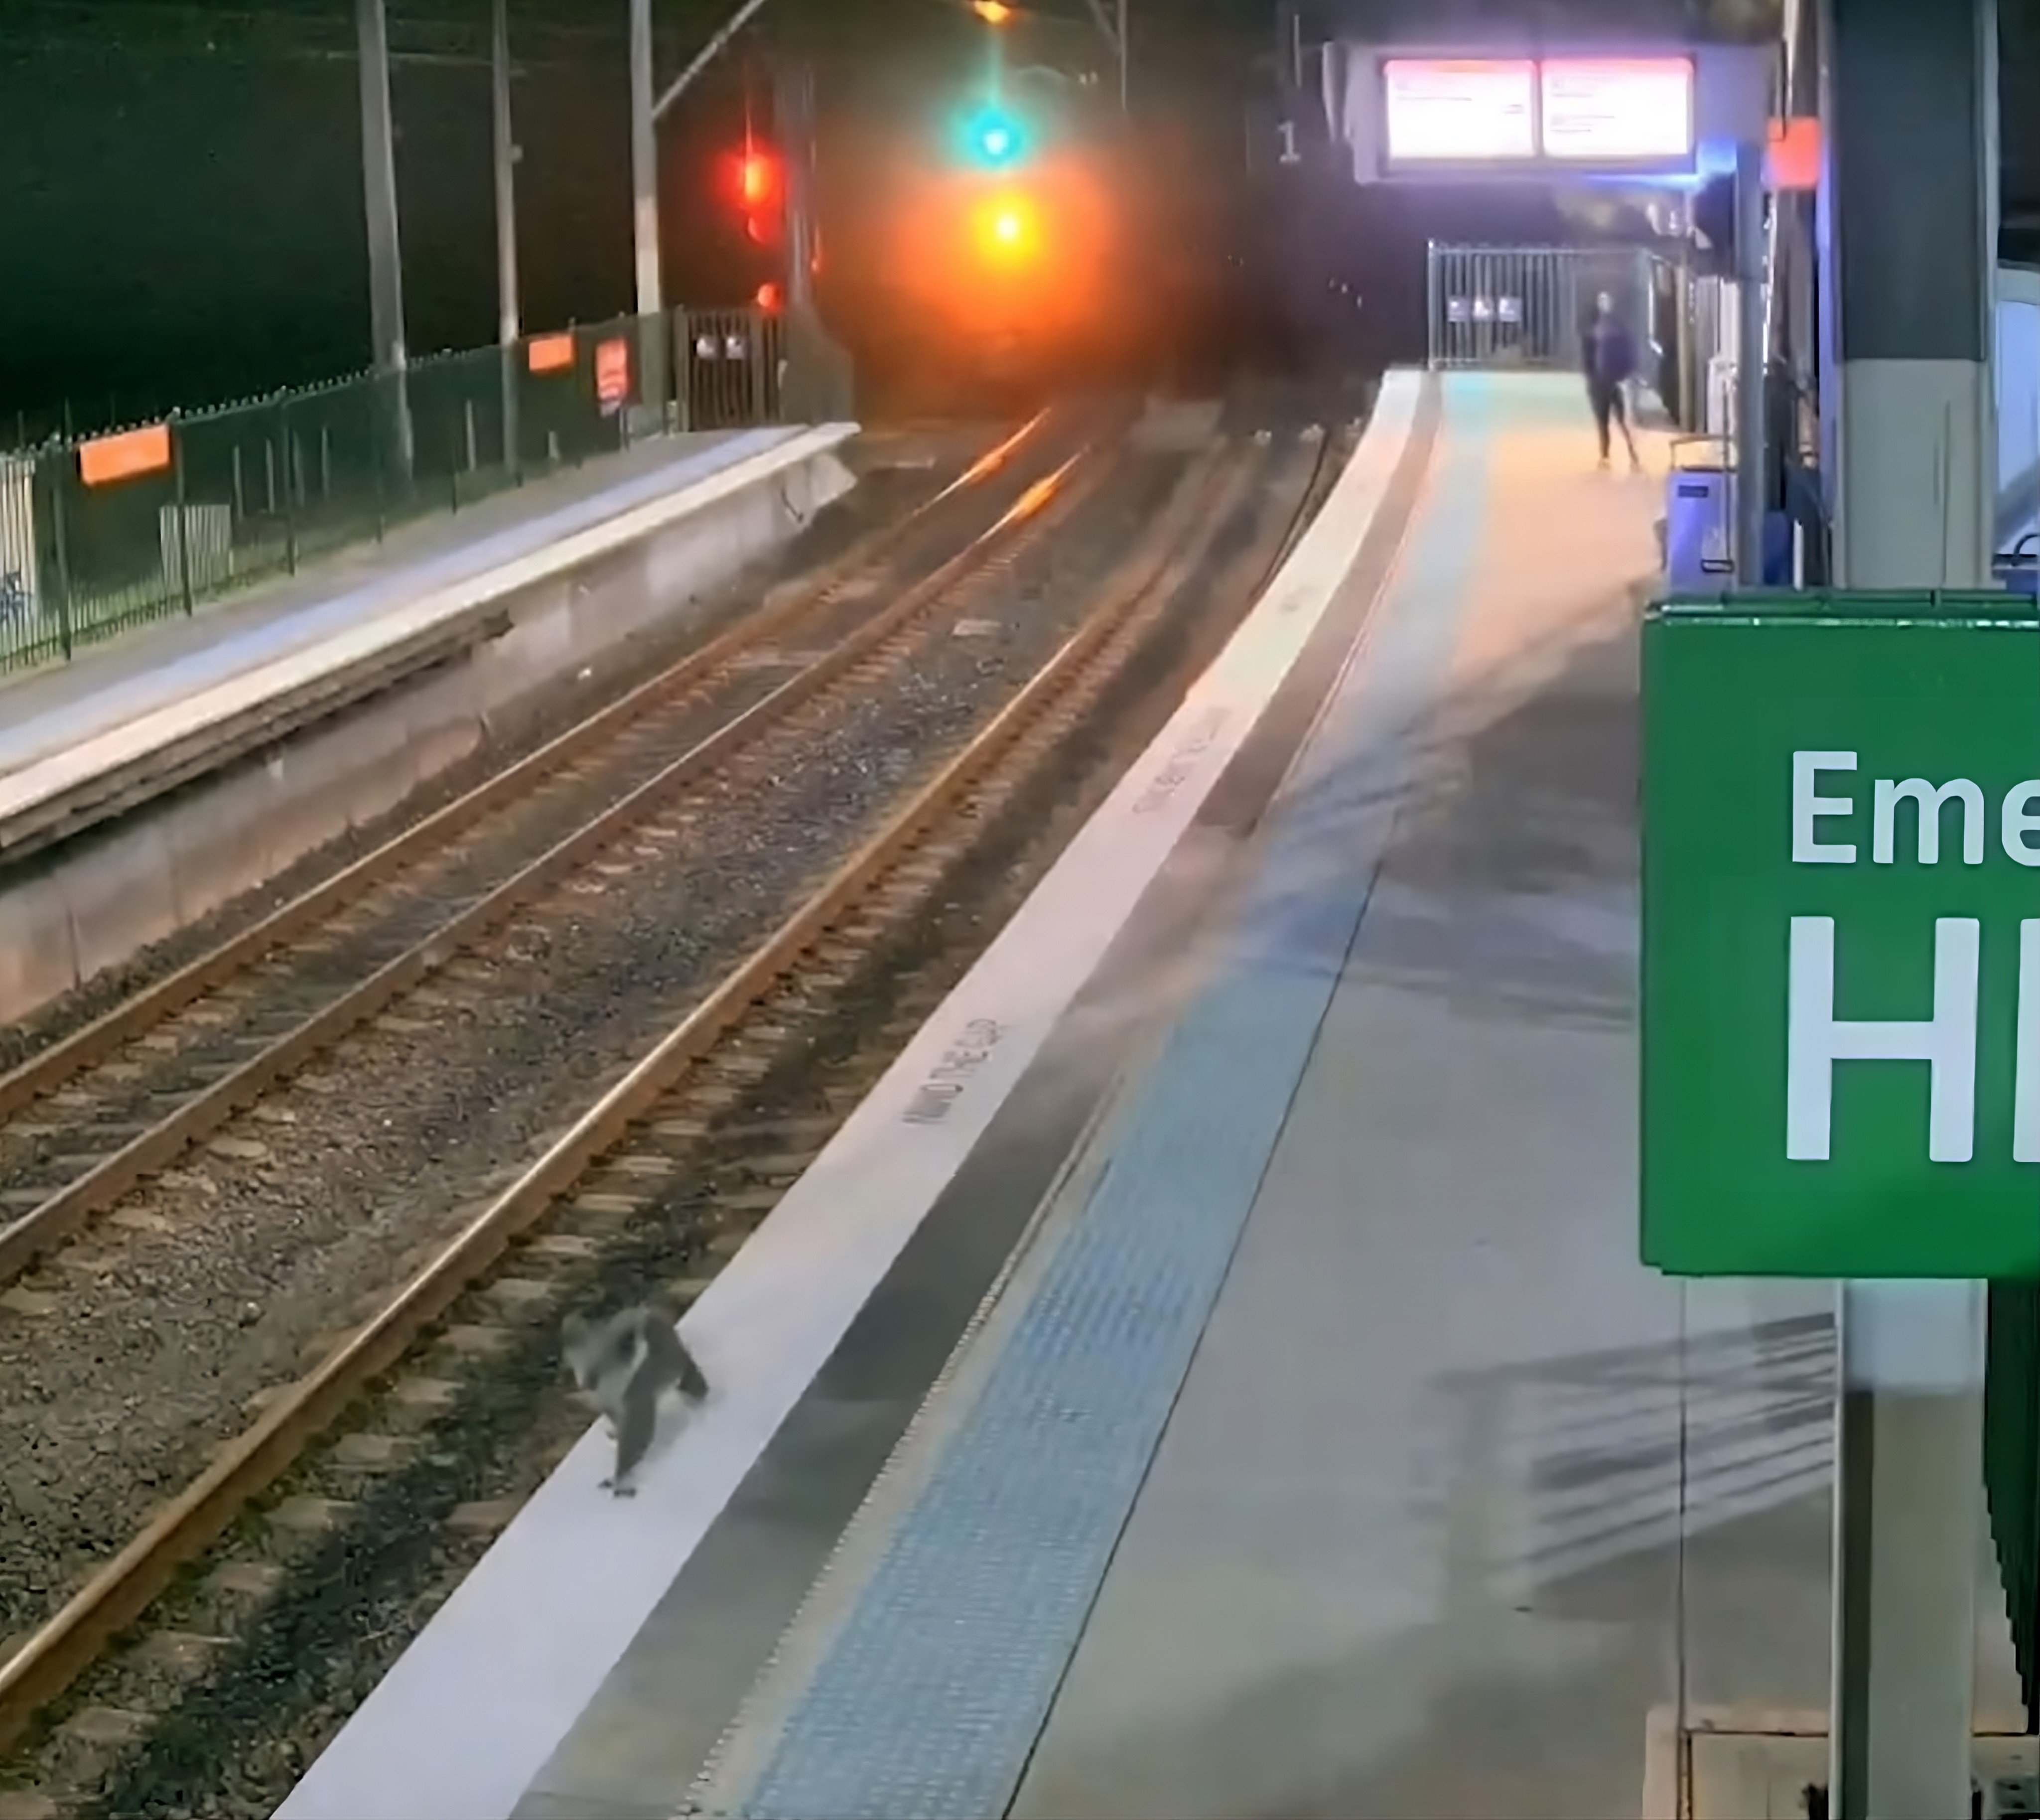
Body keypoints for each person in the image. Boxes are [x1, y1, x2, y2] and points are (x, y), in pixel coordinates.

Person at [1581, 292, 1642, 472]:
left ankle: (1630, 455)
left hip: (1611, 382)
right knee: (1605, 422)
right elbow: (1588, 360)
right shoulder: (1596, 330)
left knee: (1619, 421)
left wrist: (1624, 375)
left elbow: (1627, 353)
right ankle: (1607, 456)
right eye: (1603, 301)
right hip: (1601, 383)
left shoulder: (1612, 329)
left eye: (1608, 301)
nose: (1606, 304)